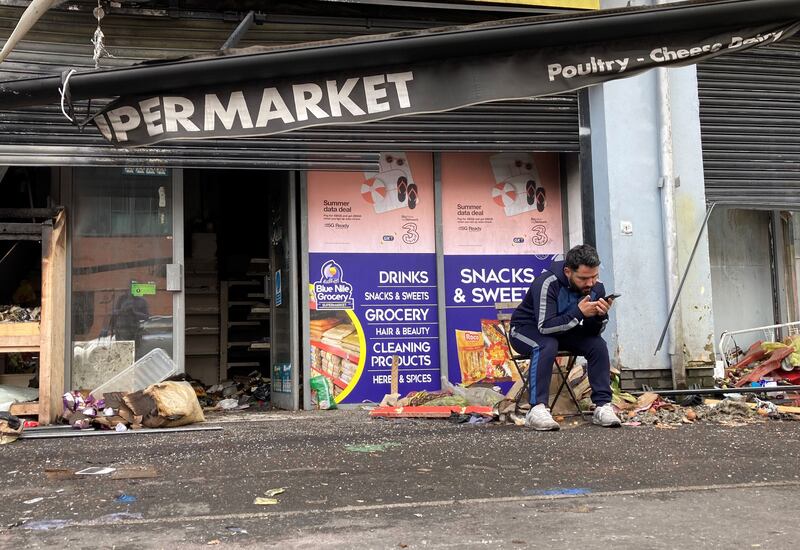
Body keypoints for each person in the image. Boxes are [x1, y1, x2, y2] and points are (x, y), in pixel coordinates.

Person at [510, 244, 621, 430]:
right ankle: (536, 409)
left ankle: (602, 406)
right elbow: (545, 326)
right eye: (584, 278)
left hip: (562, 330)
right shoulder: (547, 283)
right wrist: (578, 313)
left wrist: (600, 316)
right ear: (568, 271)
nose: (590, 283)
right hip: (525, 330)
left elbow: (592, 331)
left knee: (597, 345)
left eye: (594, 276)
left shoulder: (596, 287)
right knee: (546, 344)